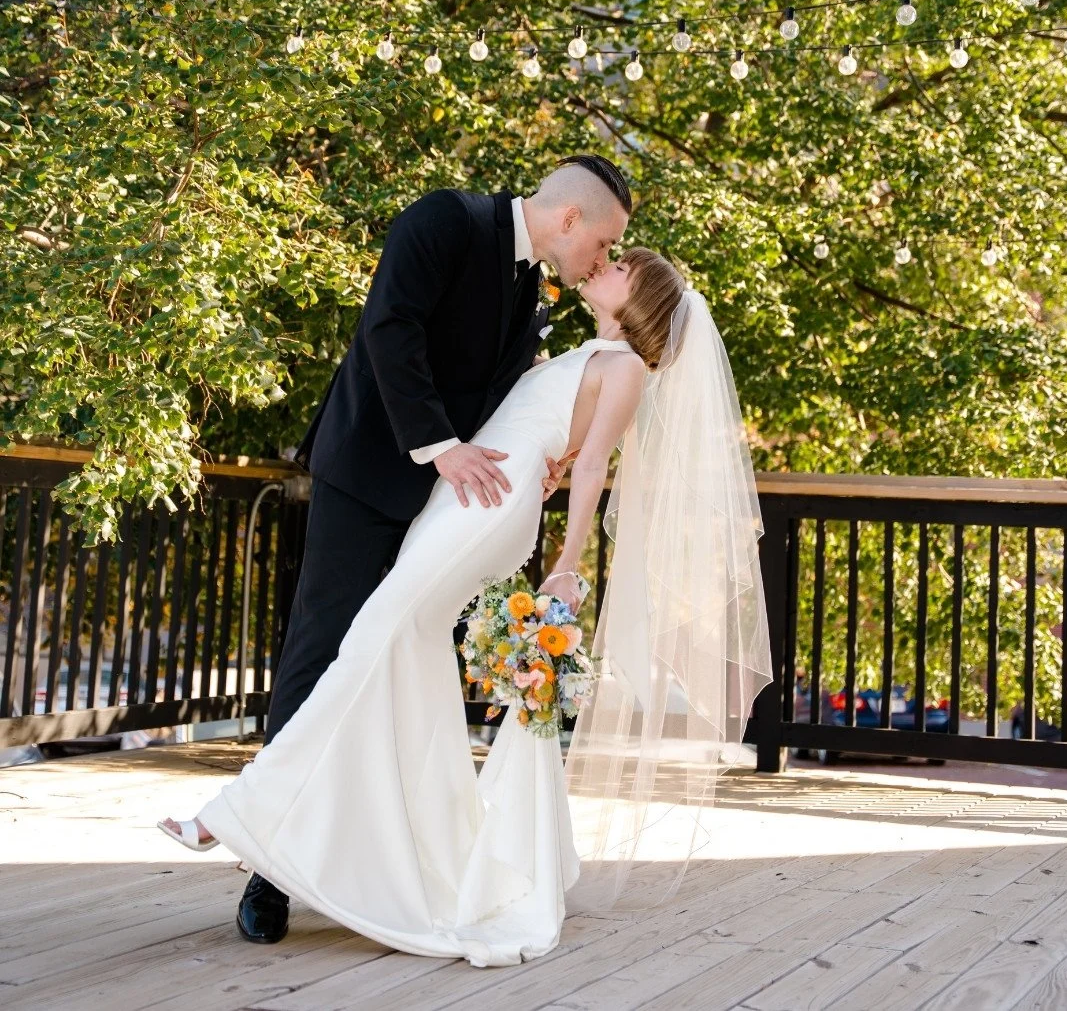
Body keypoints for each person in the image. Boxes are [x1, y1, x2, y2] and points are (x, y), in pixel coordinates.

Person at [158, 241, 773, 966]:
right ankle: (420, 849)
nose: (603, 265)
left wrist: (567, 565)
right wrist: (560, 453)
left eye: (621, 267)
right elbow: (557, 438)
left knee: (371, 637)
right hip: (464, 493)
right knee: (399, 656)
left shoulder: (630, 368)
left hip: (487, 506)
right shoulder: (589, 354)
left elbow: (594, 469)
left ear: (640, 301)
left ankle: (234, 817)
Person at [163, 156, 632, 944]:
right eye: (608, 242)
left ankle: (380, 859)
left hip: (454, 507)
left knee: (395, 671)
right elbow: (389, 327)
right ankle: (269, 877)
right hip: (371, 474)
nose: (605, 260)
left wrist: (551, 446)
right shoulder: (444, 218)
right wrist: (441, 446)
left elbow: (507, 390)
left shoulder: (532, 290)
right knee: (323, 652)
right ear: (570, 220)